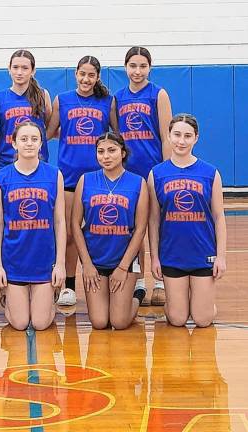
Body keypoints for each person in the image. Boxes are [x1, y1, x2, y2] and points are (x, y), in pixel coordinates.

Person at [47, 55, 116, 307]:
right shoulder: (62, 100)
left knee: (101, 230)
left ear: (97, 77)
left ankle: (107, 281)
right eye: (82, 74)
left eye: (91, 75)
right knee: (68, 234)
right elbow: (49, 132)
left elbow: (116, 138)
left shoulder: (107, 102)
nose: (86, 79)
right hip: (68, 176)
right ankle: (68, 286)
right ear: (75, 74)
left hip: (99, 178)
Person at [148, 114, 226, 327]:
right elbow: (153, 221)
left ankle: (204, 303)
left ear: (196, 138)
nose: (181, 141)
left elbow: (219, 217)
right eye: (177, 135)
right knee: (177, 319)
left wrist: (221, 257)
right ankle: (181, 303)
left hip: (203, 253)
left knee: (203, 320)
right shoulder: (157, 174)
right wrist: (155, 257)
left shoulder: (210, 173)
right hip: (172, 254)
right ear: (169, 135)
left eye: (187, 136)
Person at [111, 46, 173, 306]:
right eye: (132, 66)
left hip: (153, 170)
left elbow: (166, 135)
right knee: (134, 228)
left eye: (142, 66)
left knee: (156, 226)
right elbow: (116, 135)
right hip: (130, 174)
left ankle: (160, 280)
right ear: (125, 68)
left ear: (150, 68)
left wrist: (166, 171)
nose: (137, 71)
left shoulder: (158, 94)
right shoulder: (118, 98)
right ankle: (138, 281)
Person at [0, 122, 66, 331]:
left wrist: (60, 263)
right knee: (20, 323)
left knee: (41, 324)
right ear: (13, 143)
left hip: (43, 259)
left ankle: (49, 294)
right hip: (14, 259)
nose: (29, 144)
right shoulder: (1, 177)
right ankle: (8, 295)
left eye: (34, 139)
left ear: (42, 143)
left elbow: (60, 221)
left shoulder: (54, 175)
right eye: (23, 139)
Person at [72, 132, 148, 329]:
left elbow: (140, 229)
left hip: (124, 259)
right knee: (99, 322)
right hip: (95, 260)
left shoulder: (138, 182)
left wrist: (123, 268)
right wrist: (86, 265)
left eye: (112, 151)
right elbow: (75, 225)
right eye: (101, 151)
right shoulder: (85, 180)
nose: (106, 156)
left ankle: (138, 292)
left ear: (123, 153)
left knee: (119, 322)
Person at [0, 50, 52, 171]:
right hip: (6, 163)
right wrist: (8, 142)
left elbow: (50, 129)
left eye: (25, 68)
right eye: (15, 67)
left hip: (37, 162)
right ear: (9, 69)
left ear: (33, 71)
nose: (19, 72)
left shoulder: (43, 95)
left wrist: (35, 142)